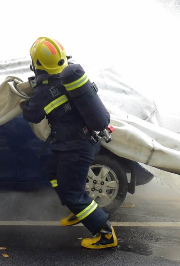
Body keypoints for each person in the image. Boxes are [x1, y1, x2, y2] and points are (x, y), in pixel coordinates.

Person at [20, 36, 117, 250]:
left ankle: (105, 234)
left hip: (76, 147)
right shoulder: (68, 77)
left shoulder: (45, 90)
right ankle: (79, 211)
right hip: (81, 141)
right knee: (52, 169)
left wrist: (21, 101)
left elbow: (32, 115)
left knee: (72, 193)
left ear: (36, 64)